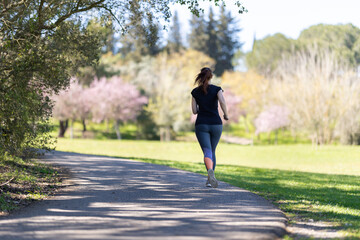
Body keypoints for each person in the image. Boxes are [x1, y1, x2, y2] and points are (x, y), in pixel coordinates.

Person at [191, 67, 228, 188]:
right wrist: (226, 114)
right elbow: (222, 102)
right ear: (211, 77)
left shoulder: (195, 92)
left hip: (202, 124)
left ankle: (209, 174)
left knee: (207, 151)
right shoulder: (217, 89)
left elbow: (194, 111)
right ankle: (209, 178)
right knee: (212, 151)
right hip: (216, 124)